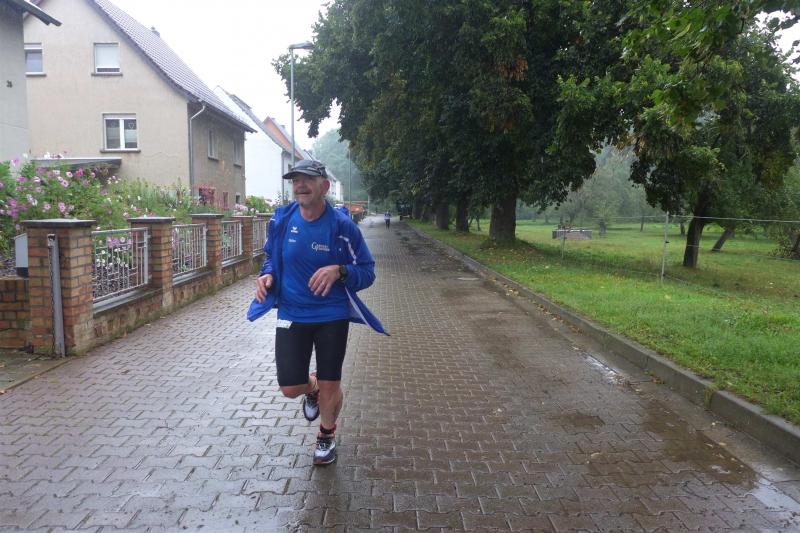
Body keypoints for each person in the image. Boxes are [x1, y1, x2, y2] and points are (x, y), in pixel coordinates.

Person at [247, 159, 387, 466]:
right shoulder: (282, 220)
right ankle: (311, 388)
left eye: (307, 179)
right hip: (291, 313)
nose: (300, 185)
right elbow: (271, 258)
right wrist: (267, 275)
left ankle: (326, 434)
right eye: (295, 180)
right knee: (289, 387)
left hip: (331, 314)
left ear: (324, 186)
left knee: (331, 382)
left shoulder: (341, 227)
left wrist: (340, 271)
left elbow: (367, 271)